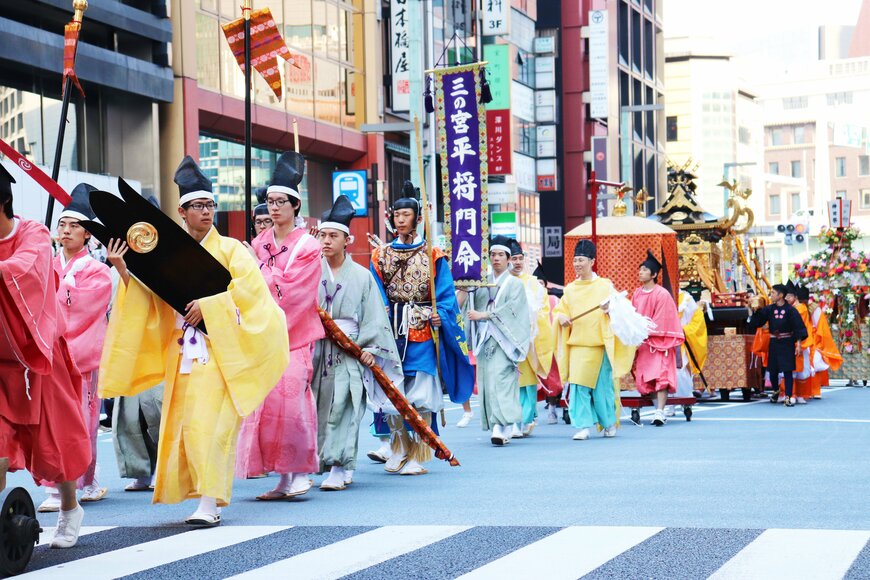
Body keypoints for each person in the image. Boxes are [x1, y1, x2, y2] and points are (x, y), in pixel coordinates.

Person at [100, 155, 289, 526]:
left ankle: (211, 501)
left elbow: (253, 297)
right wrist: (123, 270)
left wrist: (211, 305)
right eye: (197, 206)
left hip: (221, 354)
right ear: (181, 212)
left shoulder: (234, 250)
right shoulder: (169, 253)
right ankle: (199, 495)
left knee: (214, 426)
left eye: (209, 204)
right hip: (184, 353)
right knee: (188, 427)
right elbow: (151, 300)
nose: (205, 211)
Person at [0, 163, 91, 547]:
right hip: (0, 360)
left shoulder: (34, 234)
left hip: (36, 355)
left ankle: (70, 508)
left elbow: (27, 270)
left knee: (56, 443)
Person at [369, 181, 474, 474]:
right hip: (390, 329)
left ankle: (419, 452)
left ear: (417, 217)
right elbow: (375, 291)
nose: (401, 219)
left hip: (420, 329)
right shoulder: (381, 255)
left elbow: (445, 294)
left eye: (406, 214)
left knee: (421, 393)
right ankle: (398, 445)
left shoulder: (433, 254)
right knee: (391, 390)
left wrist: (441, 314)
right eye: (397, 214)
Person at [235, 151, 322, 500]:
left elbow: (296, 293)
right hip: (265, 336)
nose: (273, 208)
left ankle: (300, 471)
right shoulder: (261, 242)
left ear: (295, 205)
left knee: (293, 402)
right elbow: (250, 287)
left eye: (280, 202)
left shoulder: (309, 245)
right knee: (267, 406)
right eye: (269, 202)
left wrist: (259, 269)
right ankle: (281, 476)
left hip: (296, 335)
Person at [311, 196, 404, 490]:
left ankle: (340, 466)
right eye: (323, 235)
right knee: (321, 407)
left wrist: (371, 349)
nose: (326, 241)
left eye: (333, 236)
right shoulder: (310, 272)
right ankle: (330, 462)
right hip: (317, 348)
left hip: (350, 350)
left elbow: (375, 317)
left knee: (344, 405)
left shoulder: (362, 277)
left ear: (347, 240)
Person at [37, 184, 113, 512]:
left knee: (85, 420)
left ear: (87, 235)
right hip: (51, 355)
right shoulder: (45, 265)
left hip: (80, 357)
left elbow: (86, 310)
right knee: (50, 421)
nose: (66, 231)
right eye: (63, 225)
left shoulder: (98, 272)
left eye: (75, 226)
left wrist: (62, 290)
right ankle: (57, 483)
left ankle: (85, 479)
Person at [554, 240, 635, 440]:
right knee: (579, 387)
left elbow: (620, 308)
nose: (577, 264)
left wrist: (611, 309)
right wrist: (561, 317)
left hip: (599, 344)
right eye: (575, 260)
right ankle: (582, 426)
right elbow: (560, 310)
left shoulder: (605, 285)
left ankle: (608, 422)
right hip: (578, 345)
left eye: (581, 260)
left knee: (602, 389)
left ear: (592, 261)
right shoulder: (570, 289)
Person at [110, 193, 163, 492]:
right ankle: (140, 468)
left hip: (159, 340)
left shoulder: (165, 255)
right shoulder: (123, 252)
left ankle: (163, 466)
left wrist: (122, 270)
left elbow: (148, 300)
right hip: (132, 340)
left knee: (157, 408)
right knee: (131, 413)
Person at [460, 236, 530, 445]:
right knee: (487, 381)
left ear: (508, 259)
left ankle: (503, 425)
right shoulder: (482, 281)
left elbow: (514, 311)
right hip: (485, 338)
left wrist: (485, 315)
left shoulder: (515, 284)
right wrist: (465, 289)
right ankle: (498, 424)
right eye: (493, 255)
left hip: (505, 339)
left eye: (501, 255)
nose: (496, 258)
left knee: (501, 379)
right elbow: (466, 306)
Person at [630, 251, 685, 427]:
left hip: (659, 342)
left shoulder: (662, 294)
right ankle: (658, 409)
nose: (640, 272)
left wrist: (644, 331)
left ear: (654, 275)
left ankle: (660, 411)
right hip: (643, 344)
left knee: (661, 376)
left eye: (645, 270)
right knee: (648, 378)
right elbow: (632, 315)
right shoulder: (637, 294)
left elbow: (662, 319)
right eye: (640, 269)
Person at [508, 240, 554, 437]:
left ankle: (523, 419)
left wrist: (533, 323)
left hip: (527, 338)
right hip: (506, 339)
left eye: (520, 258)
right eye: (514, 258)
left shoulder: (533, 283)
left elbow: (544, 310)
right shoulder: (503, 281)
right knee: (509, 382)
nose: (518, 262)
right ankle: (513, 419)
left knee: (525, 382)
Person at [747, 282, 808, 407]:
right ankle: (776, 390)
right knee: (773, 371)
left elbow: (798, 328)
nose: (771, 295)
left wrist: (798, 344)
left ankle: (788, 397)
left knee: (787, 370)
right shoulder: (769, 309)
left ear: (781, 295)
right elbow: (757, 322)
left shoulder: (791, 310)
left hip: (787, 342)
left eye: (773, 293)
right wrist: (753, 311)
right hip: (774, 342)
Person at [532, 261, 564, 425]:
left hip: (550, 345)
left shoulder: (553, 300)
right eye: (535, 283)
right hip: (533, 346)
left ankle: (552, 407)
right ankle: (530, 413)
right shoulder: (529, 300)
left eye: (541, 283)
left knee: (552, 379)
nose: (538, 286)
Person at [668, 289, 707, 416]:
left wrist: (685, 330)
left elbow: (698, 318)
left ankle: (686, 400)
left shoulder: (686, 298)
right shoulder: (660, 294)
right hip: (663, 339)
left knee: (680, 371)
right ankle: (668, 405)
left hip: (680, 340)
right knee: (664, 372)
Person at [807, 288, 842, 398]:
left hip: (812, 339)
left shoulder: (813, 308)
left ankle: (815, 390)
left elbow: (820, 325)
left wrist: (817, 341)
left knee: (815, 364)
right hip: (798, 338)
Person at [784, 282, 815, 404]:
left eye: (789, 297)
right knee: (788, 370)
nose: (787, 299)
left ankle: (800, 394)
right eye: (785, 297)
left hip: (800, 341)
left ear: (795, 297)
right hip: (787, 342)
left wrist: (798, 343)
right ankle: (788, 394)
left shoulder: (800, 309)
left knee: (800, 370)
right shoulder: (787, 308)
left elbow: (797, 327)